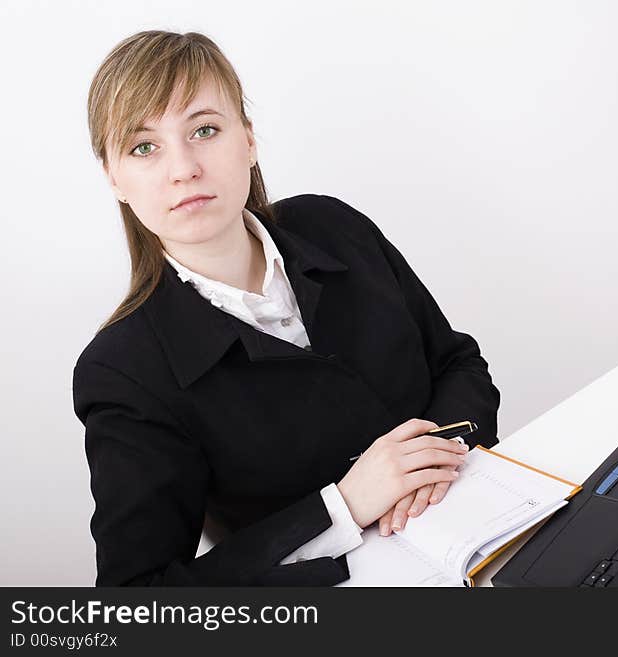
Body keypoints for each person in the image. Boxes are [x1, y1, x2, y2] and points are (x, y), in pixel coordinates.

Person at [72, 30, 500, 586]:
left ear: (247, 141)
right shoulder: (123, 370)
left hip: (480, 526)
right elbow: (139, 599)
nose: (183, 169)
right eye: (143, 147)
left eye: (204, 130)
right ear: (114, 178)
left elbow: (458, 363)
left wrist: (430, 462)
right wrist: (345, 504)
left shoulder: (333, 226)